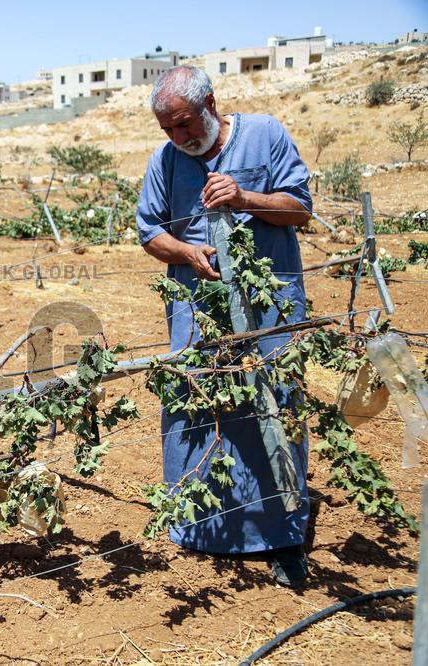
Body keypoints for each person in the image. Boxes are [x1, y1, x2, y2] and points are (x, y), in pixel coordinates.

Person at [135, 65, 313, 586]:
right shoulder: (166, 162)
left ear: (211, 103)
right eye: (168, 129)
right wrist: (187, 252)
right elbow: (149, 233)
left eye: (185, 123)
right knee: (201, 406)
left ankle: (282, 537)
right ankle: (200, 529)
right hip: (197, 311)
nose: (179, 137)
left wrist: (245, 199)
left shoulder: (265, 135)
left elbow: (299, 208)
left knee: (273, 404)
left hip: (271, 309)